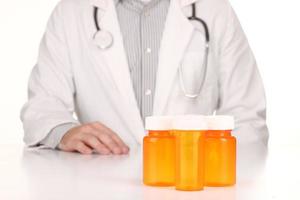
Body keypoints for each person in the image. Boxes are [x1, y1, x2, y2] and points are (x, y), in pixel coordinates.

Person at [20, 0, 268, 154]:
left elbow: (247, 116)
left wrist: (220, 176)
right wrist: (64, 132)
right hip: (100, 185)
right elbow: (42, 107)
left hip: (191, 184)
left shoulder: (214, 10)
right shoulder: (71, 12)